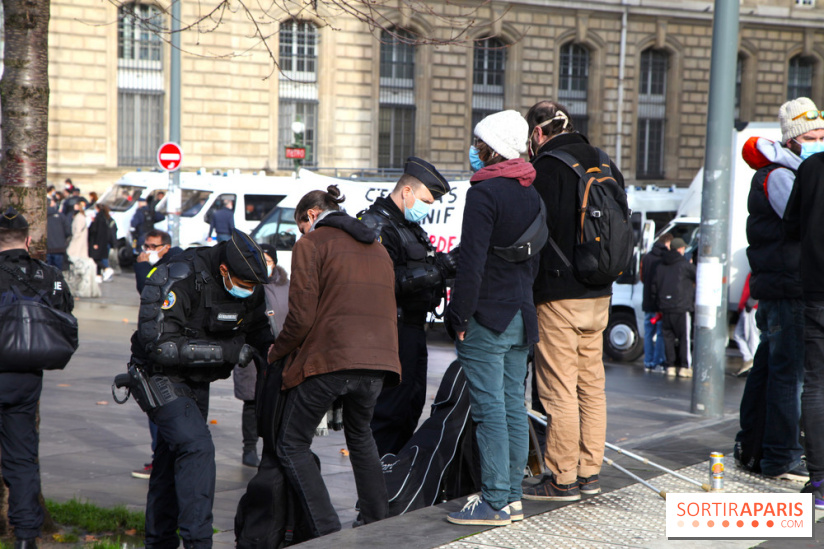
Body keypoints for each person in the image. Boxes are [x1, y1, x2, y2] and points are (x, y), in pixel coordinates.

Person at [267, 185, 401, 538]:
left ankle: (326, 531)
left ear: (311, 215)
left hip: (334, 358)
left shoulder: (311, 244)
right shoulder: (378, 247)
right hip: (380, 361)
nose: (302, 233)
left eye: (301, 225)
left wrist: (276, 351)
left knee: (291, 443)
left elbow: (300, 318)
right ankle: (377, 521)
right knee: (361, 435)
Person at [128, 229, 273, 548]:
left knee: (170, 460)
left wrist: (278, 355)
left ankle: (159, 541)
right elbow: (159, 345)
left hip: (198, 380)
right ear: (224, 270)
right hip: (158, 375)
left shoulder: (250, 284)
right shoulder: (178, 274)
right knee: (197, 449)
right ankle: (198, 542)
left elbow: (261, 332)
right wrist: (230, 352)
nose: (247, 292)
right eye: (244, 285)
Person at [521, 101, 624, 502]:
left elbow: (534, 234)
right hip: (599, 293)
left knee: (558, 388)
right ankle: (589, 472)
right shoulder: (604, 161)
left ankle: (562, 478)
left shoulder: (545, 170)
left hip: (557, 295)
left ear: (538, 133)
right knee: (591, 386)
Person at [444, 110, 540, 526]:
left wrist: (458, 314)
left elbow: (472, 262)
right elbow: (531, 261)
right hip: (521, 314)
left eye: (478, 141)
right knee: (513, 407)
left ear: (491, 146)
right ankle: (513, 497)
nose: (474, 149)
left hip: (488, 316)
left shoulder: (484, 193)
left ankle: (496, 501)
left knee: (489, 410)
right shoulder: (530, 191)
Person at [734, 97, 817, 482]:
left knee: (768, 370)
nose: (820, 140)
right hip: (788, 289)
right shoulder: (783, 176)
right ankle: (782, 456)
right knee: (789, 375)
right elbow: (803, 223)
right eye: (814, 134)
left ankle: (755, 447)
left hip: (782, 287)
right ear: (795, 138)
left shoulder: (790, 171)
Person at [358, 157, 457, 457]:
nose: (427, 207)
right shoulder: (375, 225)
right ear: (406, 193)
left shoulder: (409, 227)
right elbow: (380, 283)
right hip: (389, 332)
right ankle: (376, 493)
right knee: (388, 414)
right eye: (425, 200)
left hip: (412, 331)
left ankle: (394, 482)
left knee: (410, 408)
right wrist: (440, 268)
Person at [0, 207, 74, 549]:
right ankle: (27, 537)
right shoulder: (49, 274)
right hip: (26, 379)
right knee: (21, 458)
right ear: (28, 240)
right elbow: (65, 311)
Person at [784, 119, 824, 508]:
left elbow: (791, 226)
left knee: (816, 385)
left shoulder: (811, 169)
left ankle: (820, 484)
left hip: (817, 290)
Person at [130, 229, 182, 480]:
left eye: (153, 246)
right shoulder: (174, 263)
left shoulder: (165, 267)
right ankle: (166, 459)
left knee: (157, 403)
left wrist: (140, 268)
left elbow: (147, 291)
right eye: (145, 245)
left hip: (162, 347)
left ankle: (161, 461)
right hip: (170, 345)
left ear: (166, 247)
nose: (147, 250)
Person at [232, 243, 289, 468]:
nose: (264, 265)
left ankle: (276, 446)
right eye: (260, 260)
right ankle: (249, 447)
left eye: (268, 260)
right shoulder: (245, 285)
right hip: (253, 351)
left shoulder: (287, 285)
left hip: (281, 350)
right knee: (252, 400)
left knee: (278, 400)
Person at [651, 237, 696, 377]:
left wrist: (657, 305)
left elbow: (654, 287)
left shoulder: (660, 265)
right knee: (684, 338)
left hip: (665, 307)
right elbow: (698, 276)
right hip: (681, 307)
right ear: (680, 249)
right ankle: (684, 366)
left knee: (668, 337)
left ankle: (670, 366)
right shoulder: (685, 265)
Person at [641, 233, 673, 372]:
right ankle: (658, 361)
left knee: (648, 332)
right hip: (660, 302)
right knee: (660, 332)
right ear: (667, 243)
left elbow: (642, 277)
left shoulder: (647, 257)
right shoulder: (665, 258)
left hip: (647, 300)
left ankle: (647, 361)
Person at [733, 273, 759, 377]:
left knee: (752, 337)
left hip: (751, 306)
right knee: (738, 334)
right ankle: (749, 360)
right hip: (748, 306)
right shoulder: (754, 271)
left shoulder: (758, 271)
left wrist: (750, 303)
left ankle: (754, 363)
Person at [88, 204, 116, 282]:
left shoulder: (99, 218)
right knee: (99, 258)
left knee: (95, 258)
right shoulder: (105, 218)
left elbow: (96, 231)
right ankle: (98, 275)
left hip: (97, 242)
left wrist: (95, 243)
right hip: (103, 242)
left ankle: (106, 269)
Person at [46, 196, 72, 271]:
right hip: (59, 248)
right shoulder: (61, 216)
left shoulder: (39, 217)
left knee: (47, 272)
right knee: (58, 273)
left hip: (46, 248)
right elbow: (68, 232)